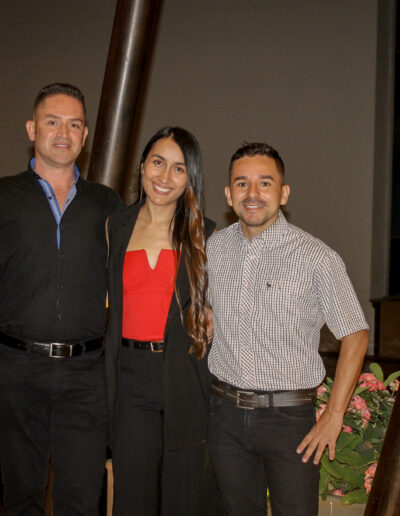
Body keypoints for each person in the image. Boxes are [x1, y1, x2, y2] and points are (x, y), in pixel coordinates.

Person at [206, 142, 369, 516]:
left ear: (283, 193)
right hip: (225, 415)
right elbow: (206, 308)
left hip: (289, 421)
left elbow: (356, 335)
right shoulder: (214, 248)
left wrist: (334, 415)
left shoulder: (316, 257)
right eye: (242, 183)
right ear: (229, 194)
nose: (253, 193)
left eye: (265, 183)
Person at [0, 83, 122, 515]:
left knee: (82, 500)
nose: (63, 133)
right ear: (32, 129)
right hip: (15, 371)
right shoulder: (4, 196)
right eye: (52, 122)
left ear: (85, 135)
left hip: (86, 377)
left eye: (74, 124)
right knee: (20, 498)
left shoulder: (107, 203)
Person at [105, 126, 218, 515]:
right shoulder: (115, 226)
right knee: (133, 496)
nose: (165, 177)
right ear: (142, 166)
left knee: (184, 498)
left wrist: (212, 310)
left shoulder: (205, 233)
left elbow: (224, 300)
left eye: (179, 168)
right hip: (130, 378)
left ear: (190, 179)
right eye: (157, 162)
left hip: (184, 374)